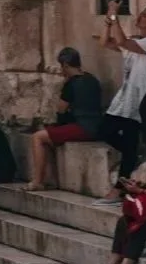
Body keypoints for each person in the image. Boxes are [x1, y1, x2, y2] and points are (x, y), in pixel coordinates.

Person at [97, 1, 146, 177]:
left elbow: (121, 41)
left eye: (145, 16)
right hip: (126, 100)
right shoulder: (136, 42)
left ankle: (122, 184)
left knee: (128, 140)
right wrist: (108, 21)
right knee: (105, 130)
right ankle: (134, 156)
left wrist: (114, 15)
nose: (140, 17)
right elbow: (105, 42)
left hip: (141, 102)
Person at [29, 46, 106, 188]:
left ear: (65, 65)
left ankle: (37, 181)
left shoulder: (71, 84)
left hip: (83, 128)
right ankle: (51, 179)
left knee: (38, 137)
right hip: (98, 125)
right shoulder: (92, 79)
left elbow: (61, 110)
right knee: (50, 136)